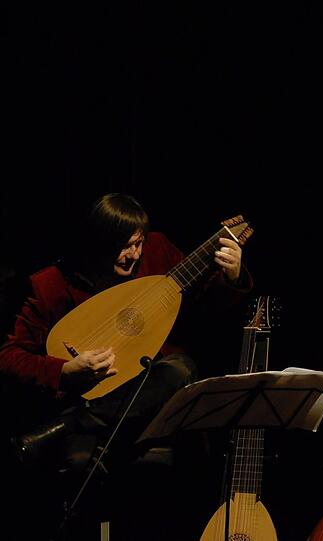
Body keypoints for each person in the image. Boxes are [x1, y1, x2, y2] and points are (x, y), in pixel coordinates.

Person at [0, 193, 252, 539]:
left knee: (180, 368)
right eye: (122, 246)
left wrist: (232, 277)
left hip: (153, 405)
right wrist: (63, 371)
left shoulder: (158, 252)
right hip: (89, 402)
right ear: (95, 244)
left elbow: (209, 310)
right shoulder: (50, 285)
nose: (134, 255)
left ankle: (63, 427)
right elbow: (9, 357)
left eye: (137, 243)